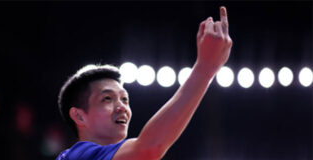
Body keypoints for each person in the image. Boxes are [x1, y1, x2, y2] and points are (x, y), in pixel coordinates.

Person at [56, 6, 232, 160]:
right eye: (107, 99)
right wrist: (205, 68)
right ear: (79, 116)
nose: (121, 107)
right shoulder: (78, 155)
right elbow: (150, 148)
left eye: (125, 100)